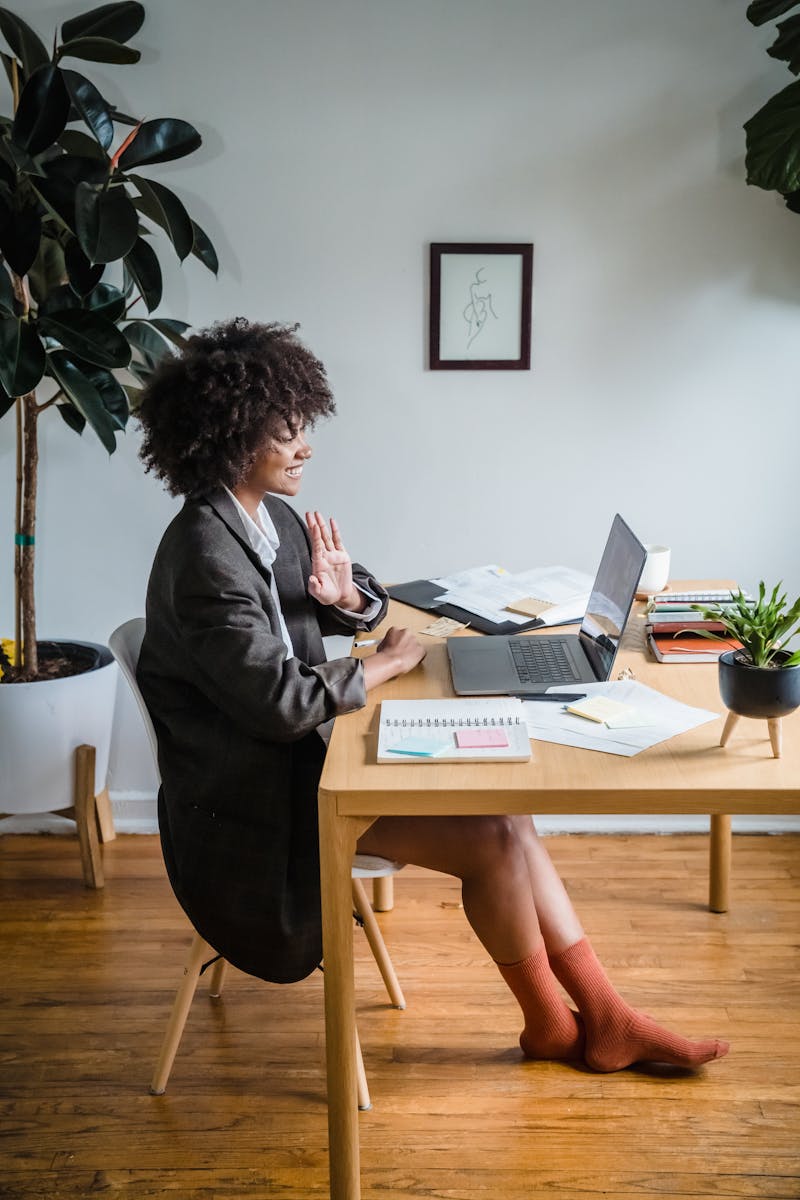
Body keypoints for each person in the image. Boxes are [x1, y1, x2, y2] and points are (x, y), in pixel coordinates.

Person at [136, 317, 729, 1073]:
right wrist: (380, 667)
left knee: (506, 811)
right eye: (289, 433)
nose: (307, 446)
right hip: (262, 802)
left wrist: (348, 599)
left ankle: (599, 1016)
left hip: (304, 760)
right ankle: (563, 1021)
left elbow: (337, 605)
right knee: (493, 839)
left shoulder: (262, 519)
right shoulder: (204, 556)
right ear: (233, 438)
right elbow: (277, 701)